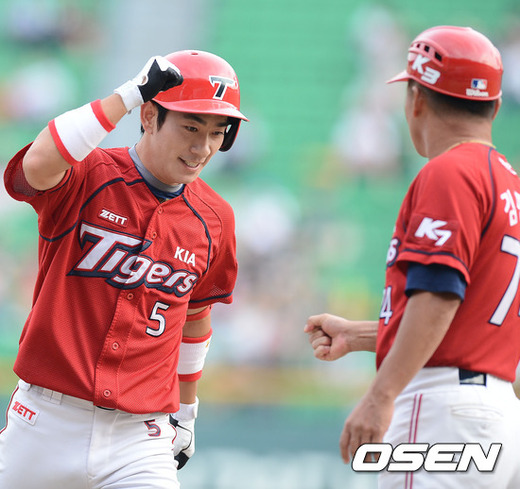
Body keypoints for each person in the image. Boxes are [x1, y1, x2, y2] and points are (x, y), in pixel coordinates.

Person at [0, 49, 248, 488]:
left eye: (217, 132)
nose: (203, 147)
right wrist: (129, 95)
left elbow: (195, 315)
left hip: (139, 439)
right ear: (149, 116)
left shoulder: (215, 218)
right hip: (44, 422)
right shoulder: (89, 174)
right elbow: (36, 165)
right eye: (191, 127)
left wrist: (187, 412)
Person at [305, 25, 520, 488]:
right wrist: (363, 335)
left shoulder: (450, 172)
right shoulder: (509, 183)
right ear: (496, 107)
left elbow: (439, 295)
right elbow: (474, 319)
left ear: (416, 99)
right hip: (497, 412)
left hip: (442, 408)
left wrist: (380, 396)